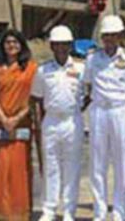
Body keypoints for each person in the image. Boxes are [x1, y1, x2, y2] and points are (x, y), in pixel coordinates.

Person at [84, 14, 125, 221]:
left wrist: (123, 106)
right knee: (97, 162)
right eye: (106, 35)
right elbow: (88, 84)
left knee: (121, 161)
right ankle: (99, 212)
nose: (109, 39)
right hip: (99, 110)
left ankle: (119, 211)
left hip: (120, 110)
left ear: (120, 36)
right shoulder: (92, 59)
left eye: (113, 35)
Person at [0, 29, 38, 221]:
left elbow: (34, 98)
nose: (11, 45)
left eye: (15, 42)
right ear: (2, 45)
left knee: (19, 166)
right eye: (7, 42)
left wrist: (15, 119)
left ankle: (19, 210)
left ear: (22, 45)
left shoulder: (31, 68)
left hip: (21, 123)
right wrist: (4, 119)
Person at [32, 25, 84, 221]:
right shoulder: (43, 70)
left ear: (70, 46)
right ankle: (49, 210)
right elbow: (36, 97)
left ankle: (69, 210)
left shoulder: (80, 68)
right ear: (51, 46)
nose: (61, 48)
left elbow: (88, 95)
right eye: (57, 44)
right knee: (51, 166)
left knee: (72, 167)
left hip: (73, 120)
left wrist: (77, 110)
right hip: (51, 121)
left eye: (65, 44)